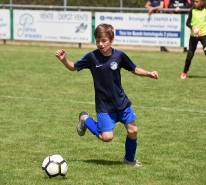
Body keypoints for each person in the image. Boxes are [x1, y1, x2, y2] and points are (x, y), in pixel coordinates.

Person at [55, 23, 158, 166]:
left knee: (133, 131)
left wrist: (148, 73)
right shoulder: (92, 57)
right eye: (98, 41)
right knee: (107, 137)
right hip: (104, 105)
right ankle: (85, 120)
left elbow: (134, 69)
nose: (101, 44)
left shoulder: (119, 56)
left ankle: (129, 160)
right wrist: (64, 60)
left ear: (112, 40)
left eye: (104, 41)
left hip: (121, 102)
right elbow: (73, 67)